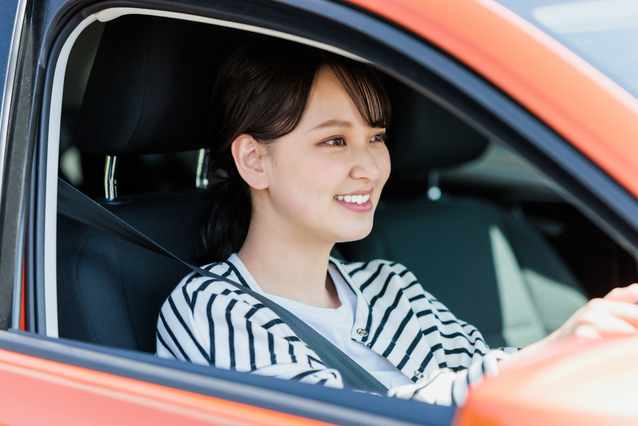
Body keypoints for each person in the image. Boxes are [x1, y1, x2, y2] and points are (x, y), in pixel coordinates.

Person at [156, 38, 638, 405]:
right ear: (255, 161)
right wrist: (550, 352)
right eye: (334, 141)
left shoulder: (389, 285)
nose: (370, 167)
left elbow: (489, 377)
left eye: (376, 137)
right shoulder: (211, 309)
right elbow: (331, 415)